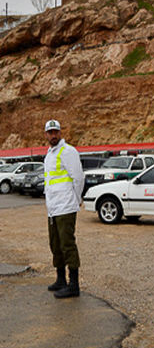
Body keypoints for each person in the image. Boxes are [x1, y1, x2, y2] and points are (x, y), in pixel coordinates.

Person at [43, 119, 84, 298]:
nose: (53, 135)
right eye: (50, 132)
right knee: (55, 244)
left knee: (67, 244)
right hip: (53, 208)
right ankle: (60, 279)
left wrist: (76, 199)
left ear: (60, 133)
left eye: (55, 132)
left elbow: (79, 178)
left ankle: (73, 285)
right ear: (46, 135)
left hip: (66, 207)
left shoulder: (68, 152)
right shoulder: (49, 154)